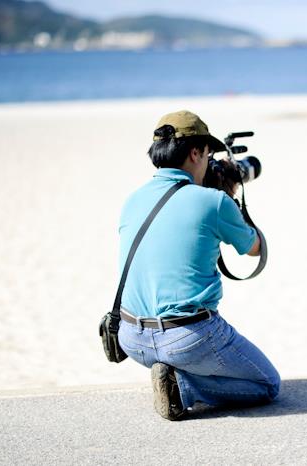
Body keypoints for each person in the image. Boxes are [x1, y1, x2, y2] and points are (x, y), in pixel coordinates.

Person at [116, 110, 280, 420]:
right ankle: (182, 385)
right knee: (266, 383)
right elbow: (253, 249)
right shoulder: (212, 201)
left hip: (131, 337)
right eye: (207, 154)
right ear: (195, 152)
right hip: (187, 337)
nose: (208, 161)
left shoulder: (132, 199)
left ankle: (171, 371)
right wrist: (229, 198)